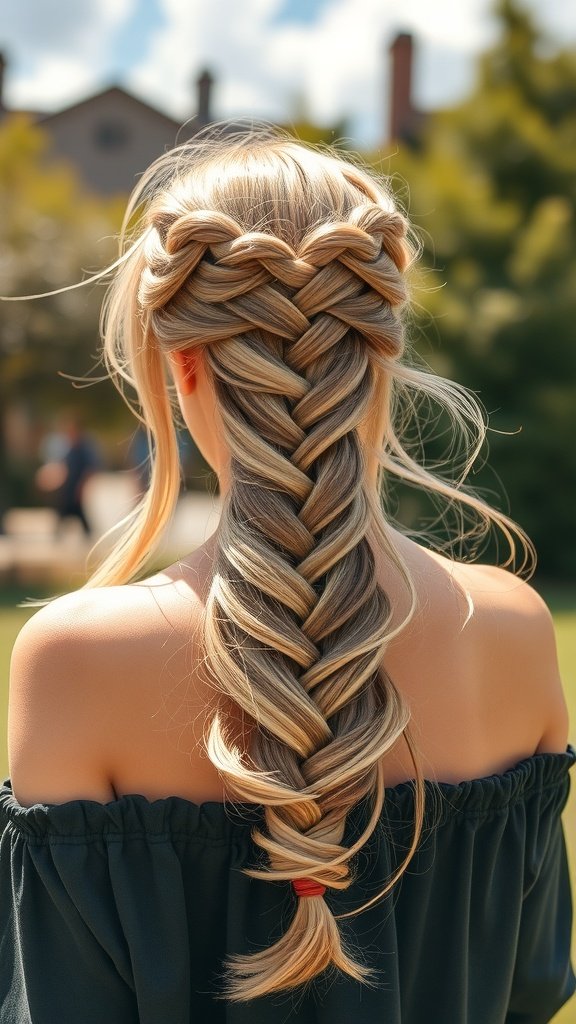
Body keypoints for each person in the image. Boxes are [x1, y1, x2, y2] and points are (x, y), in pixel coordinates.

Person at [0, 127, 574, 1024]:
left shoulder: (74, 660)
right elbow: (532, 992)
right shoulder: (509, 630)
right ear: (376, 351)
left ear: (179, 362)